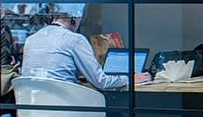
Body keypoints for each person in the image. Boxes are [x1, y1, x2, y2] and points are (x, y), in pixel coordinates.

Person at [21, 12, 150, 90]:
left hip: (33, 105)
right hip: (63, 105)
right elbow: (101, 82)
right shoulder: (74, 39)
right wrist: (130, 79)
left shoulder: (32, 39)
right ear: (74, 19)